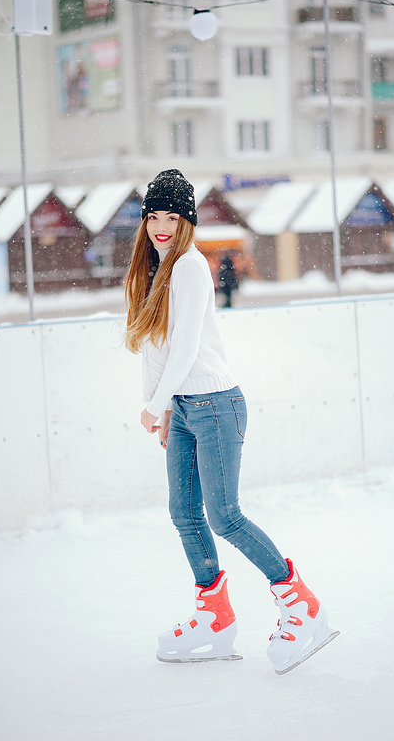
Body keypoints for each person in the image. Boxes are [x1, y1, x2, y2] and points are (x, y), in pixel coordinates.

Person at [124, 169, 338, 673]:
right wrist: (159, 406)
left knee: (224, 516)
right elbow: (153, 346)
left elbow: (186, 348)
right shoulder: (153, 269)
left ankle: (300, 602)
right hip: (182, 408)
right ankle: (215, 616)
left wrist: (156, 403)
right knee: (184, 512)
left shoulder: (191, 267)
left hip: (216, 404)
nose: (160, 226)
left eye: (171, 217)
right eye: (153, 216)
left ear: (187, 222)